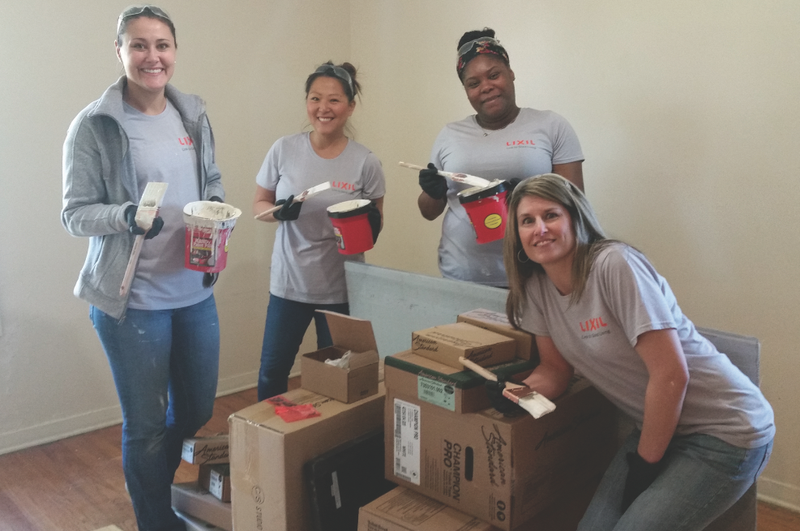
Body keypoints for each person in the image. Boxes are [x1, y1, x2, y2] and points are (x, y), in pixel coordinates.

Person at [503, 174, 775, 530]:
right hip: (660, 427)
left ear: (574, 218)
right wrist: (515, 392)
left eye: (550, 215)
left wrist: (646, 464)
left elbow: (671, 375)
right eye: (527, 221)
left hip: (725, 432)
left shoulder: (614, 264)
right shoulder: (536, 289)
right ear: (517, 236)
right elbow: (555, 371)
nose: (540, 228)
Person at [61, 6, 226, 530]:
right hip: (132, 304)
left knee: (197, 409)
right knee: (146, 424)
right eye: (138, 45)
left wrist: (217, 213)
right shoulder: (95, 124)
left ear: (174, 52)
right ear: (120, 52)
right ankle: (155, 519)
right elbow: (74, 214)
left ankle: (157, 487)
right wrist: (126, 216)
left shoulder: (192, 114)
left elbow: (212, 180)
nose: (152, 56)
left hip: (194, 293)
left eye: (162, 45)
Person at [253, 61, 385, 401]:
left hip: (340, 290)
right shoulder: (284, 149)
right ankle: (269, 445)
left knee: (334, 377)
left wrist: (367, 224)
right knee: (272, 372)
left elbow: (376, 225)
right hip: (289, 284)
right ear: (307, 102)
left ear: (350, 106)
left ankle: (323, 443)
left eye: (334, 100)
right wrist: (280, 213)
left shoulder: (365, 161)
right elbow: (259, 206)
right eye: (315, 99)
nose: (323, 108)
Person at [417, 27, 584, 287]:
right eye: (474, 83)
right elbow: (429, 212)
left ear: (511, 73)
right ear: (466, 90)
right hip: (461, 276)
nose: (486, 87)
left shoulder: (551, 126)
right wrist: (433, 192)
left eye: (494, 75)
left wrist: (532, 196)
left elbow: (577, 204)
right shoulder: (449, 134)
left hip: (533, 276)